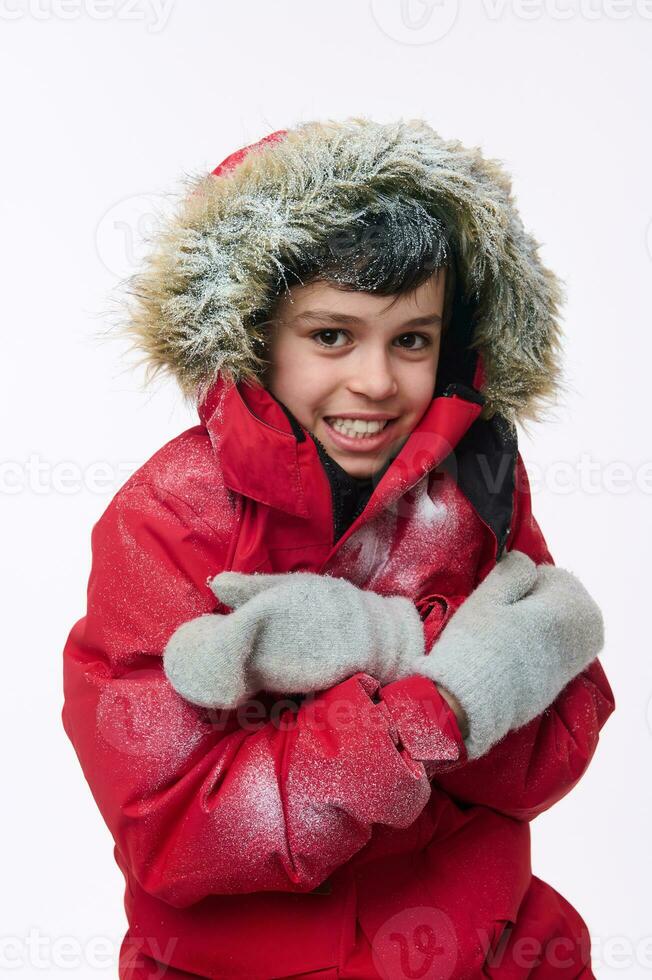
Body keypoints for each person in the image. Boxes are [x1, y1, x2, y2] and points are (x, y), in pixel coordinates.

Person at [61, 118, 615, 979]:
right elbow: (170, 829)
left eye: (411, 339)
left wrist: (488, 685)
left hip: (489, 948)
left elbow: (562, 737)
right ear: (253, 335)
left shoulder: (474, 487)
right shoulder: (169, 518)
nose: (377, 380)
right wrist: (422, 715)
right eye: (331, 336)